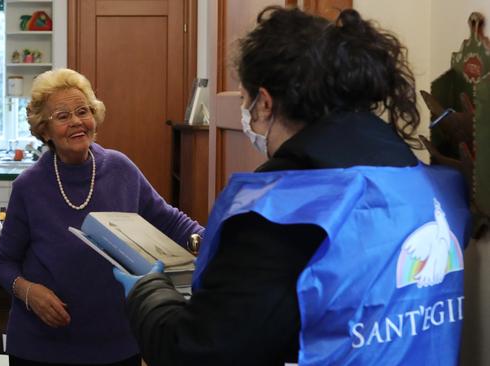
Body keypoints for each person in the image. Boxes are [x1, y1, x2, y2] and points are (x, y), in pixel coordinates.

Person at [113, 7, 471, 366]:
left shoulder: (284, 213)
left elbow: (198, 351)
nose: (243, 112)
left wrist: (148, 294)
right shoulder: (429, 187)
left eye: (242, 100)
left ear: (264, 103)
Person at [0, 68, 204, 366]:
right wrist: (28, 292)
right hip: (42, 348)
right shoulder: (29, 186)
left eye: (83, 111)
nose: (77, 122)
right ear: (44, 129)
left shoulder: (121, 169)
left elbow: (171, 221)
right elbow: (3, 262)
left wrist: (218, 243)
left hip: (117, 342)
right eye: (62, 116)